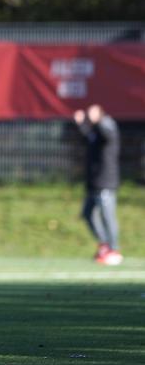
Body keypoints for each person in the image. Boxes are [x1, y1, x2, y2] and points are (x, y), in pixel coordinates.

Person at [74, 105, 123, 265]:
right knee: (87, 213)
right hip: (93, 182)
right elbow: (87, 139)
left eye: (93, 113)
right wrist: (82, 124)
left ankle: (114, 250)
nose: (90, 115)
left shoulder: (107, 125)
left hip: (106, 181)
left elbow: (107, 136)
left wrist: (98, 120)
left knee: (107, 216)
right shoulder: (94, 130)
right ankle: (104, 244)